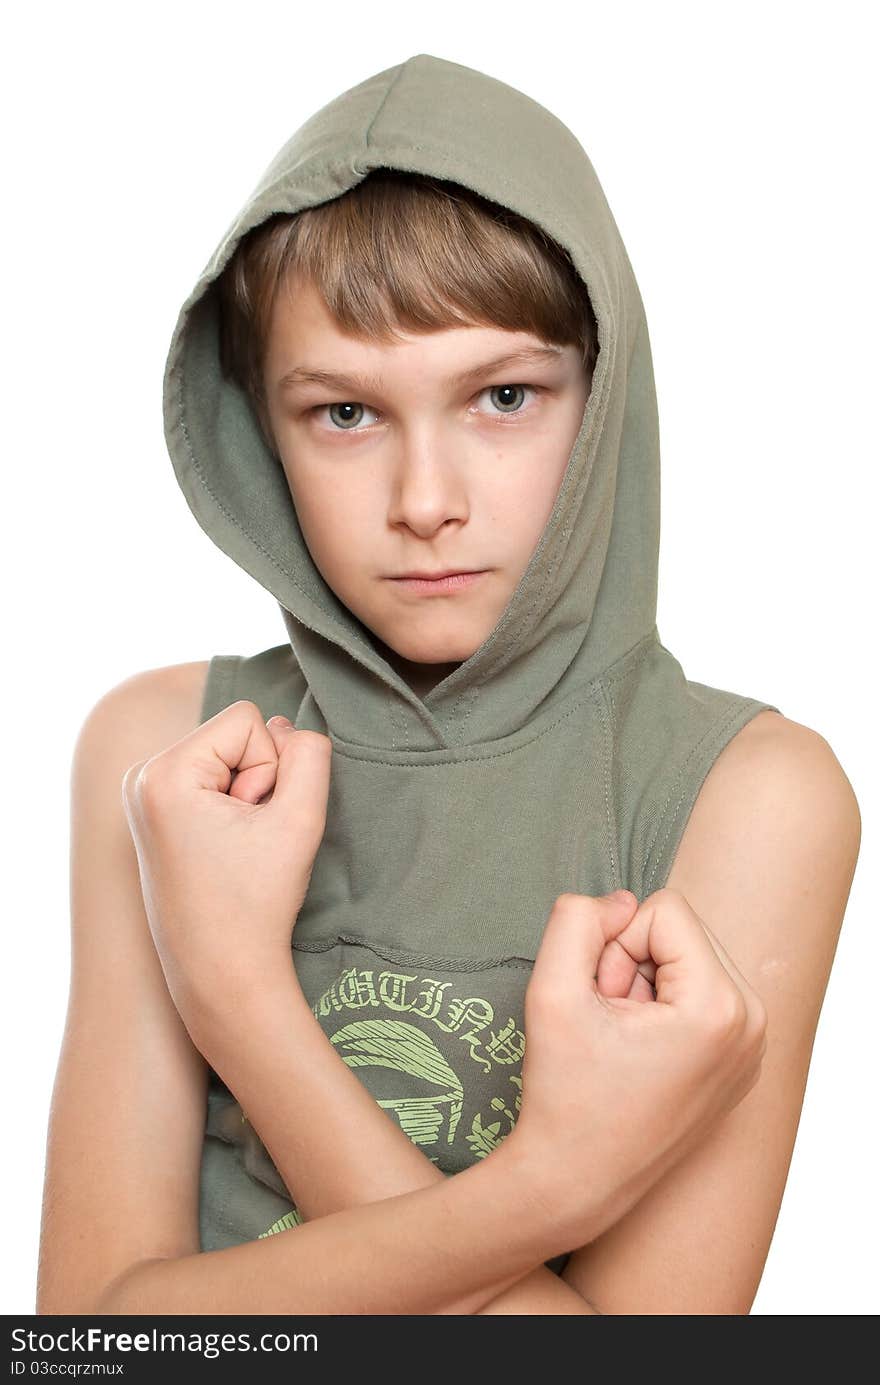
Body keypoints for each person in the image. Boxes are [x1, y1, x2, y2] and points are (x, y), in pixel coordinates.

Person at [36, 53, 860, 1316]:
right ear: (260, 424)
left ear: (604, 400)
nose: (427, 503)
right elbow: (88, 1339)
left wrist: (239, 998)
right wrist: (551, 1189)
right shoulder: (160, 753)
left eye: (504, 395)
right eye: (345, 415)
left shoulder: (749, 797)